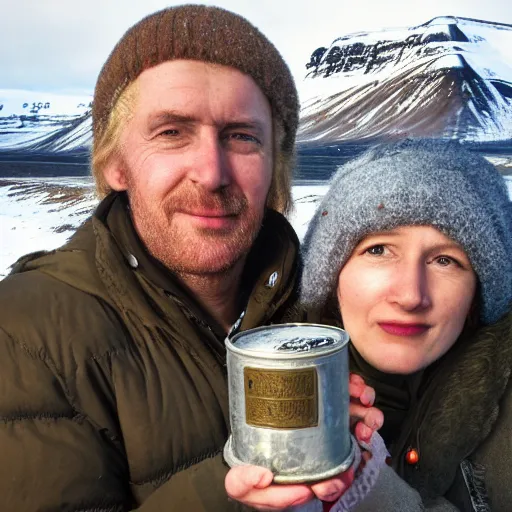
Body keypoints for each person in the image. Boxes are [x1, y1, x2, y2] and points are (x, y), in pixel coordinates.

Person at [0, 5, 380, 511]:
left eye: (242, 136)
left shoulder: (320, 305)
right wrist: (229, 492)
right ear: (115, 162)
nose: (211, 172)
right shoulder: (25, 333)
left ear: (276, 166)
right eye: (172, 132)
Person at [296, 139, 512, 511]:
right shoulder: (247, 393)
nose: (411, 295)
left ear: (478, 294)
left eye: (445, 260)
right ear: (330, 280)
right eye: (378, 250)